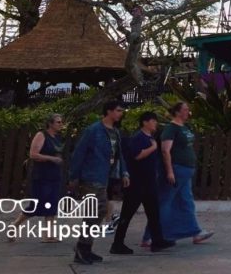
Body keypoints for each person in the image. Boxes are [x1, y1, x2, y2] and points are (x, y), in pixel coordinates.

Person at [142, 102, 213, 246]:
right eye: (185, 109)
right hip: (177, 169)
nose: (188, 112)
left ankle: (194, 232)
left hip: (186, 170)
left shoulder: (185, 127)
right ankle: (149, 236)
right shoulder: (171, 129)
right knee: (165, 201)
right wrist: (170, 171)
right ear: (177, 112)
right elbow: (165, 150)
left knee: (186, 201)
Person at [68, 100, 130, 264]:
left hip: (104, 176)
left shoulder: (115, 132)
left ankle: (85, 247)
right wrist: (74, 176)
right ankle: (82, 248)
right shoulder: (93, 130)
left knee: (100, 211)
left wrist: (124, 172)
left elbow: (119, 154)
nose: (121, 113)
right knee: (94, 211)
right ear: (109, 111)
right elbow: (79, 153)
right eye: (118, 110)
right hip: (91, 176)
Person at [111, 112, 174, 254]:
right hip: (137, 183)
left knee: (153, 213)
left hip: (149, 182)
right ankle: (117, 243)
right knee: (127, 213)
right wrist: (152, 148)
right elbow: (137, 155)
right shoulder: (138, 138)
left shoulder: (151, 138)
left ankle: (157, 241)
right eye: (153, 121)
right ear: (145, 122)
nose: (155, 124)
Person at [9, 114, 65, 242]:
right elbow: (33, 154)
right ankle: (15, 224)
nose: (60, 124)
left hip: (54, 174)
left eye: (61, 122)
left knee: (52, 204)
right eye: (58, 122)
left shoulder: (57, 138)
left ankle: (48, 234)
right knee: (37, 204)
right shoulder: (41, 135)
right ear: (50, 123)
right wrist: (51, 158)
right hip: (42, 175)